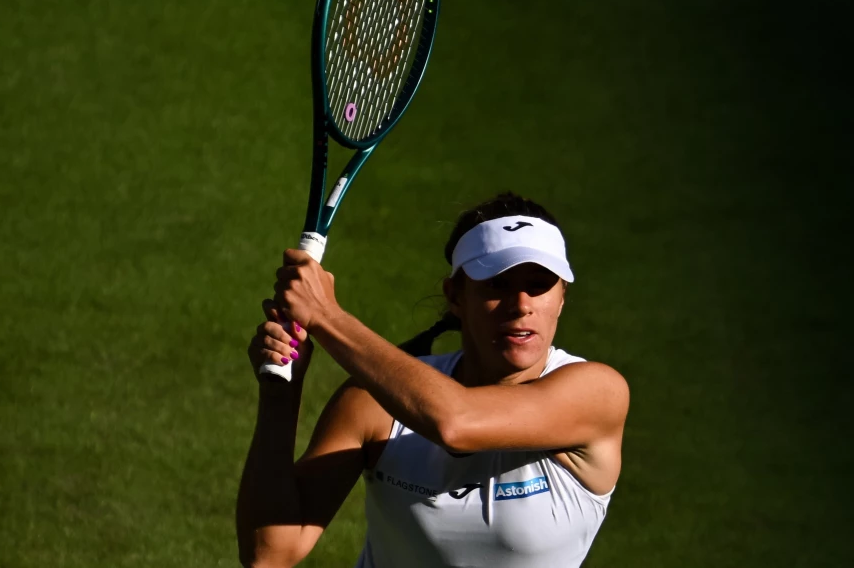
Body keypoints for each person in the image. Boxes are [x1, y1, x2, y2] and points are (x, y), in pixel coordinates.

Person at [236, 192, 630, 567]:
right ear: (455, 295)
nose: (521, 305)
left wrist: (326, 316)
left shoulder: (597, 393)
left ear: (562, 297)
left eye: (540, 285)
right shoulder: (372, 404)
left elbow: (455, 423)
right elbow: (269, 553)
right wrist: (279, 392)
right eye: (497, 283)